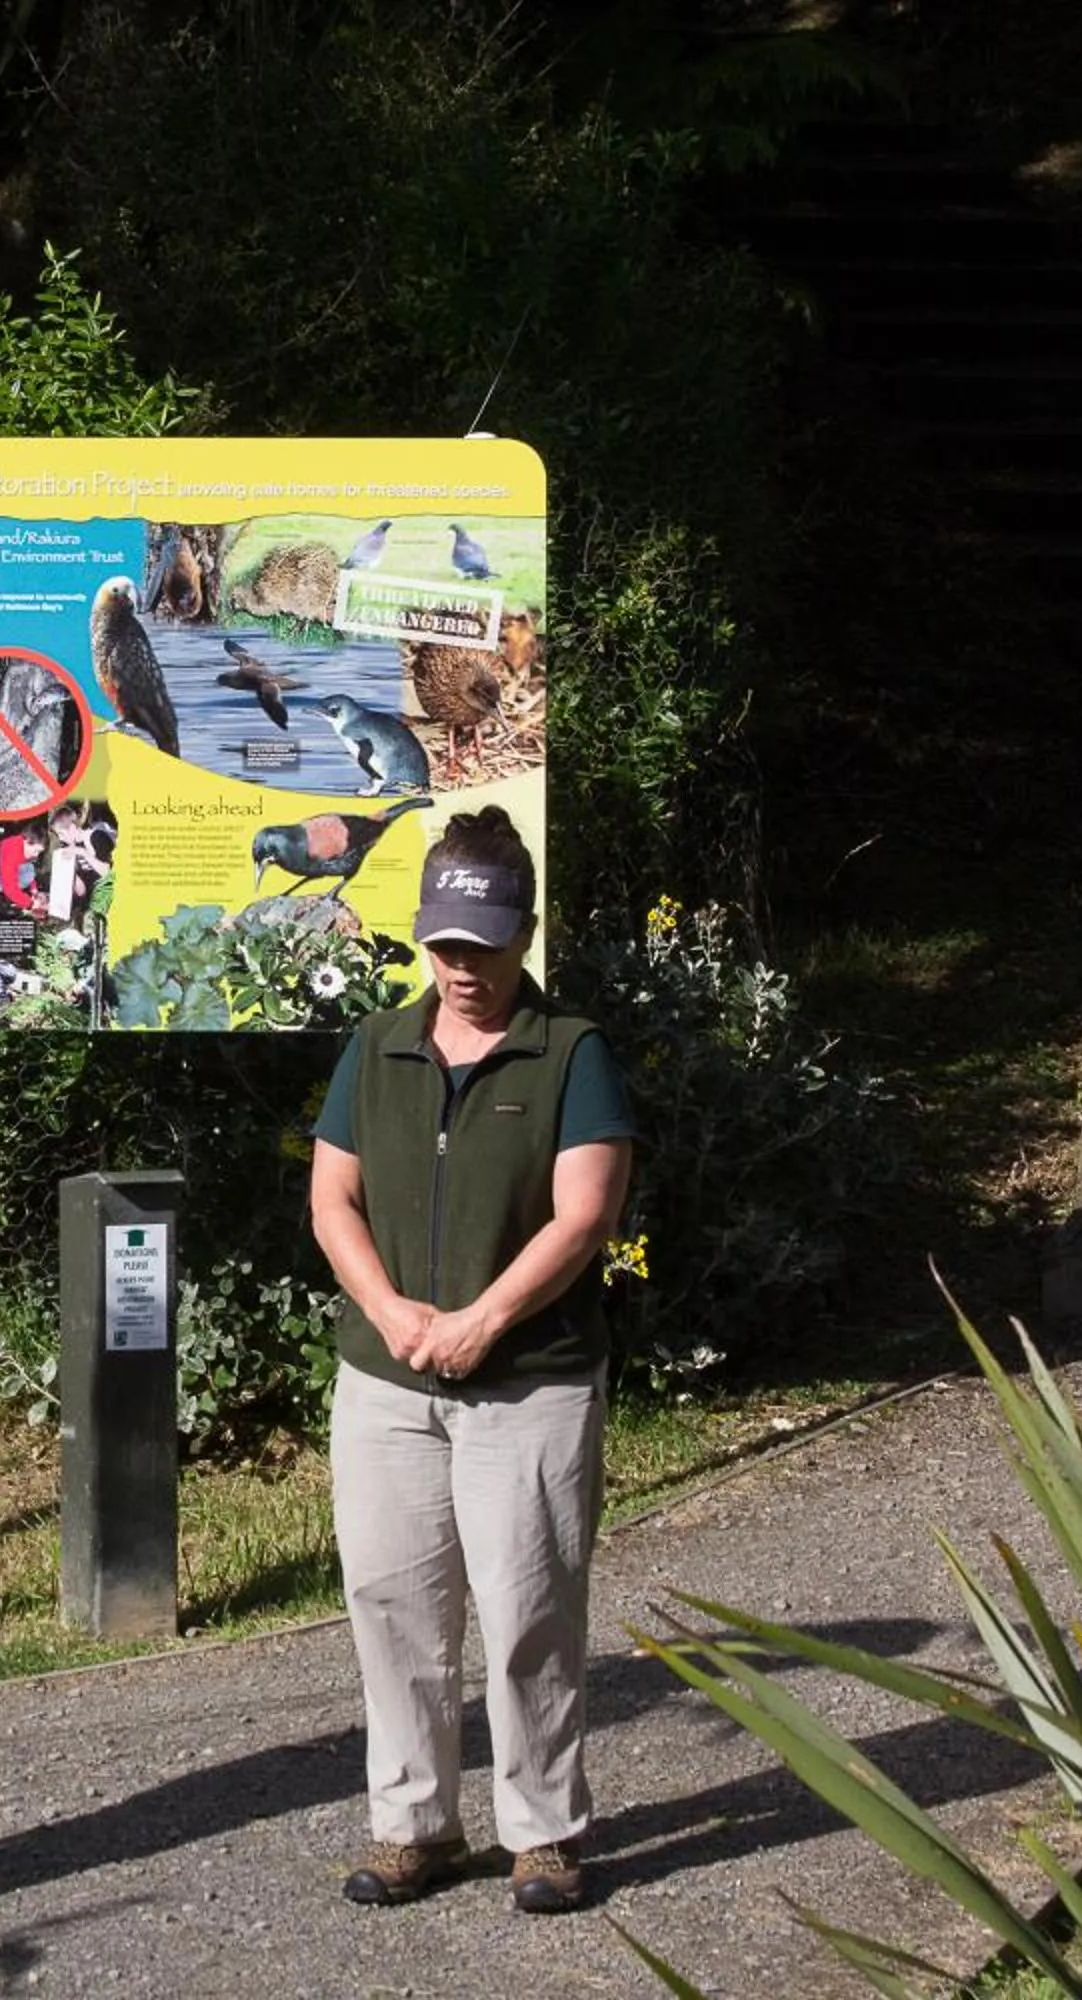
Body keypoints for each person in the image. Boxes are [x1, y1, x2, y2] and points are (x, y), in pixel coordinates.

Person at [305, 806, 637, 1919]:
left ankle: (541, 1831)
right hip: (387, 1380)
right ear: (421, 935)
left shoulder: (570, 1054)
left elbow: (582, 1216)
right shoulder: (375, 1047)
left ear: (525, 935)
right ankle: (413, 1825)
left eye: (485, 947)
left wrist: (482, 1320)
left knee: (528, 1606)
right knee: (391, 1603)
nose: (462, 969)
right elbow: (330, 1196)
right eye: (445, 946)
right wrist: (391, 1309)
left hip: (529, 1381)